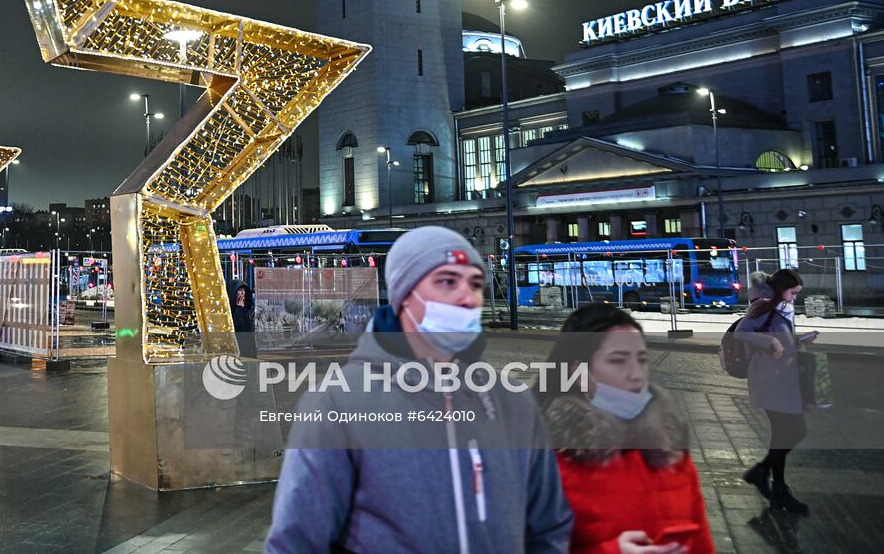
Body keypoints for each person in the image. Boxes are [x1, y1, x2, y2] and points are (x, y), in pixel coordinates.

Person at [265, 227, 572, 553]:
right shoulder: (337, 404)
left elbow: (549, 528)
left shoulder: (512, 401)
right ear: (404, 295)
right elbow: (296, 544)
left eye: (475, 283)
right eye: (447, 281)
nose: (468, 297)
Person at [541, 304, 713, 554]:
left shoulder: (668, 448)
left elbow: (701, 542)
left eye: (641, 360)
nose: (636, 374)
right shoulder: (547, 459)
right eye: (618, 361)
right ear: (579, 373)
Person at [735, 268, 813, 514]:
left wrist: (799, 341)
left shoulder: (782, 310)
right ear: (781, 290)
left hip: (783, 381)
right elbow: (742, 332)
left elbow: (782, 341)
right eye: (792, 292)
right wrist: (770, 342)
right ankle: (778, 488)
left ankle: (763, 473)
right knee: (788, 432)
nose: (795, 297)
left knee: (793, 431)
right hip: (769, 382)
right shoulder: (762, 307)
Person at [227, 277, 255, 356]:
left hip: (248, 349)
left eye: (244, 290)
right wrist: (239, 310)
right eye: (240, 290)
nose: (243, 293)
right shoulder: (228, 310)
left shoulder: (247, 308)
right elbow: (238, 328)